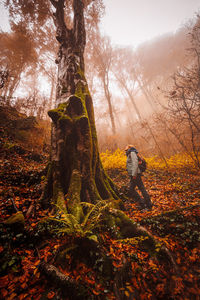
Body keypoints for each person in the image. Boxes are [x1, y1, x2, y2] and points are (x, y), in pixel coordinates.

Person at [125, 145, 152, 210]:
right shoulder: (130, 153)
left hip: (135, 174)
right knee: (134, 189)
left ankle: (147, 205)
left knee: (137, 189)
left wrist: (134, 174)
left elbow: (135, 163)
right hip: (134, 174)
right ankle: (144, 204)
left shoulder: (132, 153)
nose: (124, 150)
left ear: (129, 148)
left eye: (126, 148)